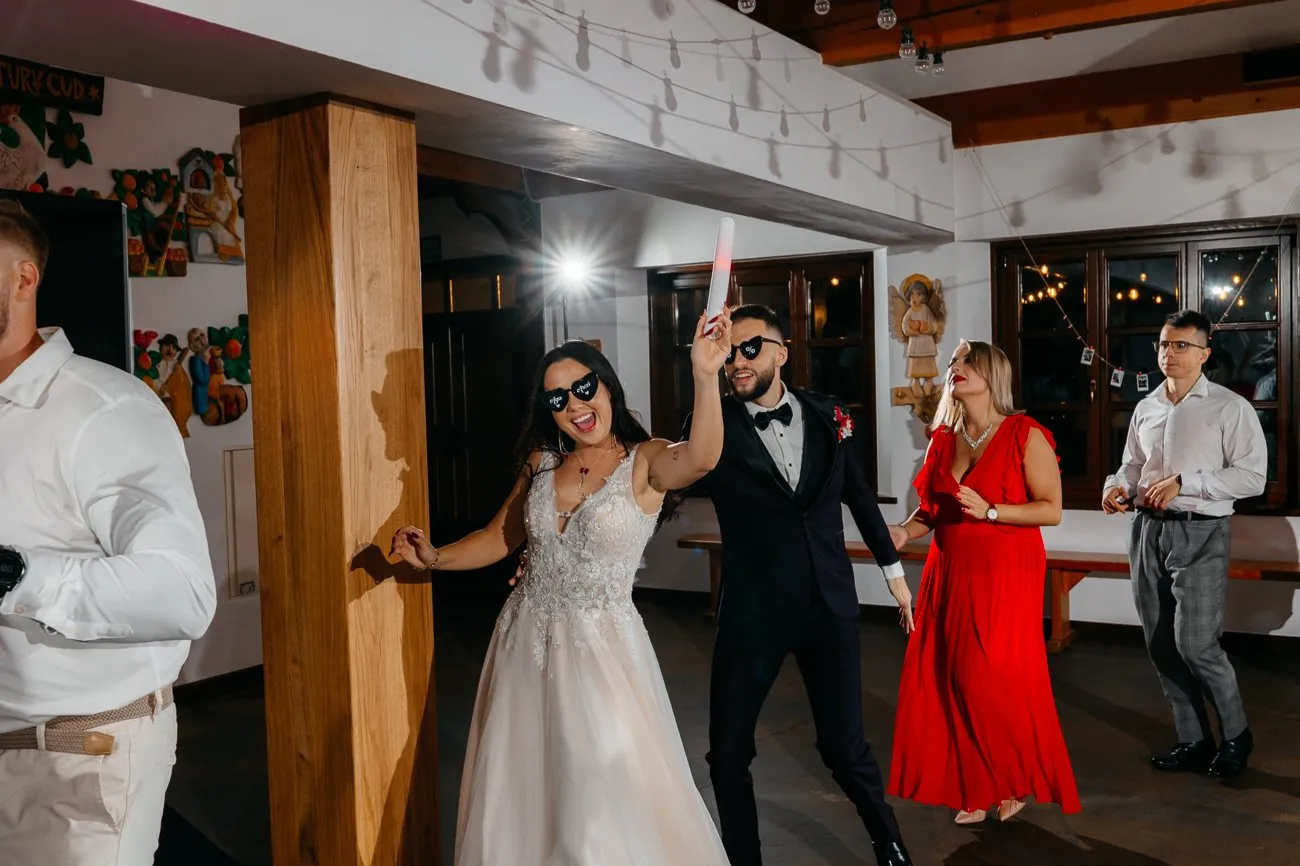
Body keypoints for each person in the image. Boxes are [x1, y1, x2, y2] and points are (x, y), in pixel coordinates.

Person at [390, 312, 734, 866]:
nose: (575, 405)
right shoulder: (543, 463)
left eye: (583, 388)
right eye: (558, 398)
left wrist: (704, 374)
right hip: (524, 643)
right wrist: (435, 557)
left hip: (603, 652)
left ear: (607, 387)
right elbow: (500, 537)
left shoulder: (645, 460)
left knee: (597, 796)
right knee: (524, 789)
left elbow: (703, 457)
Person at [0, 199, 217, 864]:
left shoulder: (105, 409)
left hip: (79, 764)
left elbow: (183, 591)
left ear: (23, 278)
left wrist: (15, 574)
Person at [683, 304, 913, 866]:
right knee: (728, 754)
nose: (737, 361)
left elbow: (858, 496)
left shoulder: (830, 413)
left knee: (844, 748)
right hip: (752, 615)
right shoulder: (710, 424)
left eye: (750, 348)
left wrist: (894, 574)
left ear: (781, 353)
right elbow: (663, 481)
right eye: (729, 353)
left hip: (828, 608)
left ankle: (890, 846)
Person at [886, 339, 1080, 824]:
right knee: (953, 674)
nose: (956, 368)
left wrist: (992, 511)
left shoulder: (1024, 433)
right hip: (949, 569)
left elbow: (1051, 509)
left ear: (993, 374)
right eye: (954, 362)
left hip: (1005, 569)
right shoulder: (943, 439)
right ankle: (975, 785)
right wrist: (903, 532)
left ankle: (1010, 779)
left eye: (967, 362)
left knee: (994, 675)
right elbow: (932, 510)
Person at [1102, 309, 1267, 778]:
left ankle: (1236, 735)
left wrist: (1185, 483)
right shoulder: (1147, 407)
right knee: (1159, 643)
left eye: (1180, 346)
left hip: (1201, 531)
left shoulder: (1229, 407)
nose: (1168, 353)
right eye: (1163, 344)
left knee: (1196, 645)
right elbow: (1132, 465)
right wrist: (1116, 487)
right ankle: (1193, 739)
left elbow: (1253, 477)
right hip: (1146, 530)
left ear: (1204, 354)